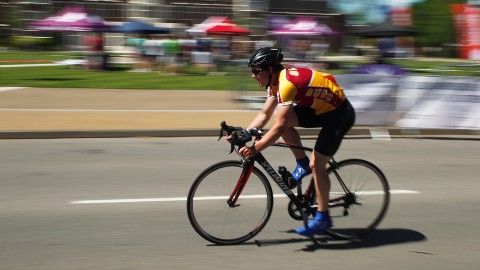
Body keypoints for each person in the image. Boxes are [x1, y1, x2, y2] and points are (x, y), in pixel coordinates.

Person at [234, 47, 355, 237]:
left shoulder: (286, 84)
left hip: (339, 115)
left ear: (271, 69)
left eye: (257, 70)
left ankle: (323, 217)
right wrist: (244, 133)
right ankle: (302, 163)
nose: (253, 75)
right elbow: (265, 114)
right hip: (320, 110)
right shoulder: (275, 83)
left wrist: (255, 148)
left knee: (318, 165)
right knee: (285, 121)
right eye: (253, 70)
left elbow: (279, 127)